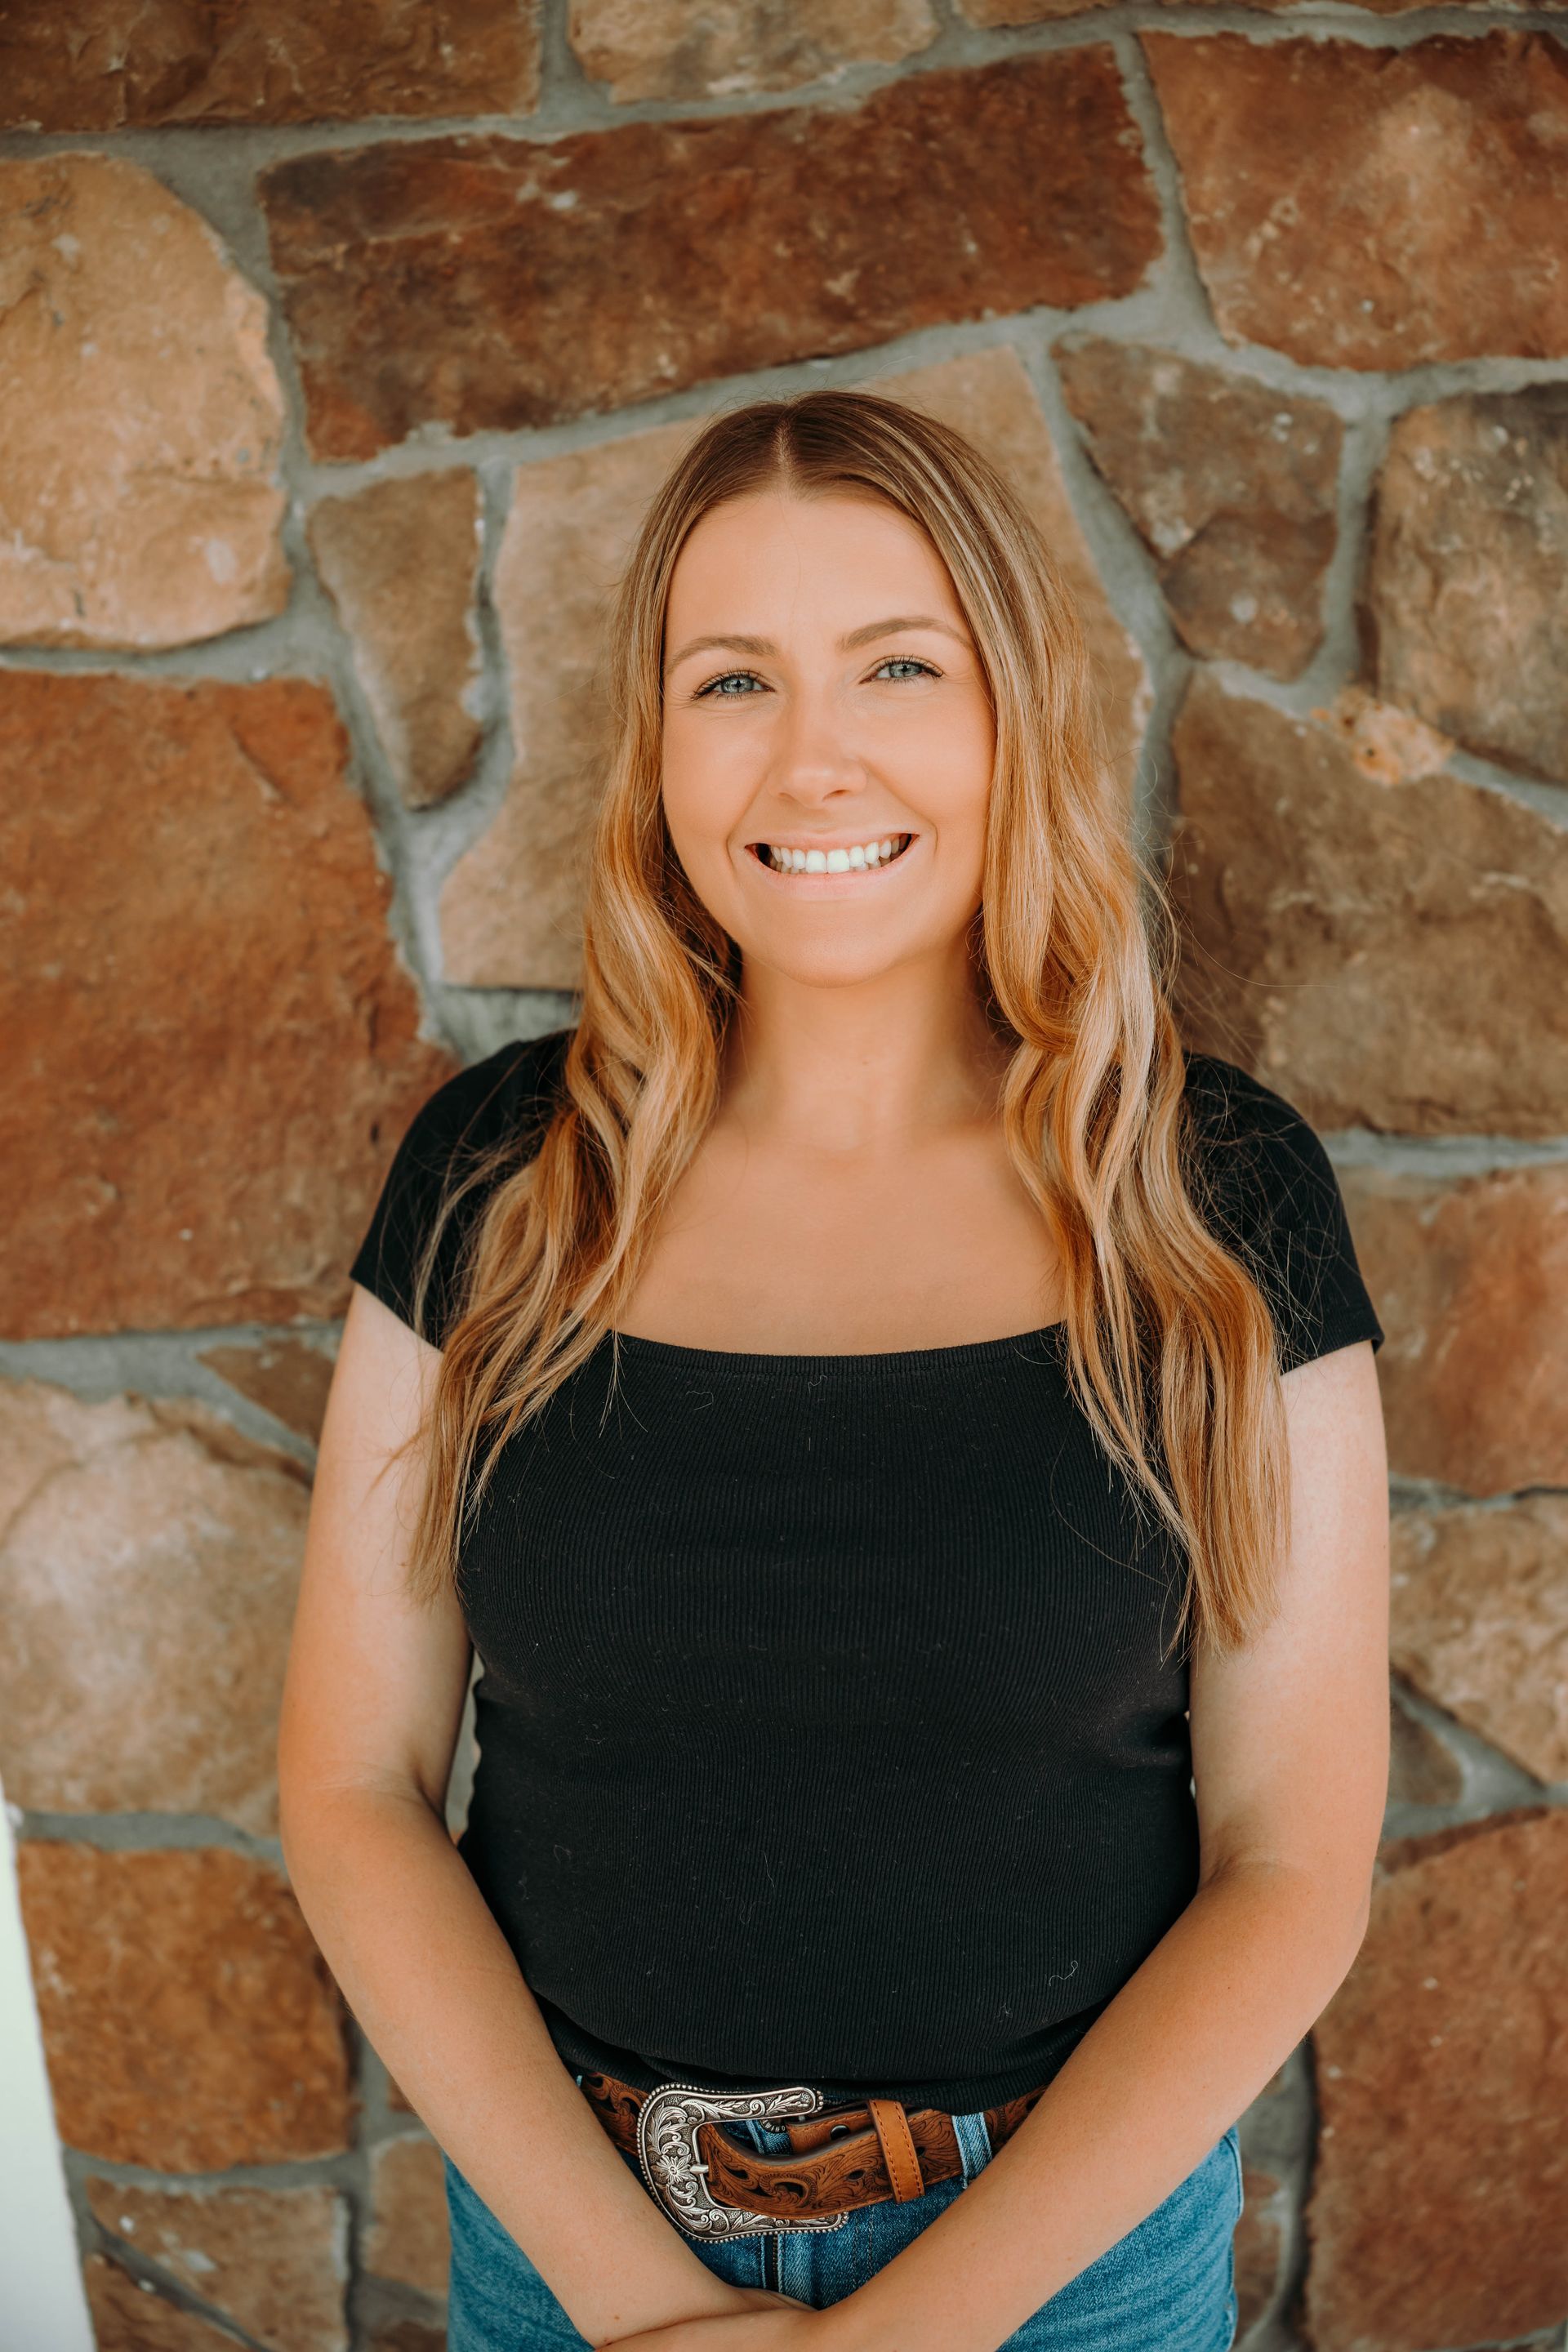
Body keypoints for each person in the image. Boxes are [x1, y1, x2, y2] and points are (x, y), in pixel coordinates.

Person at [277, 388, 1390, 2352]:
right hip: (576, 2260)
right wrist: (644, 2313)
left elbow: (1292, 1862)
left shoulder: (1216, 1196)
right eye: (733, 681)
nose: (814, 758)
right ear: (657, 745)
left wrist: (909, 2334)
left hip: (1063, 2278)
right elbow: (354, 1786)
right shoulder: (497, 1182)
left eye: (897, 663)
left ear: (1009, 707)